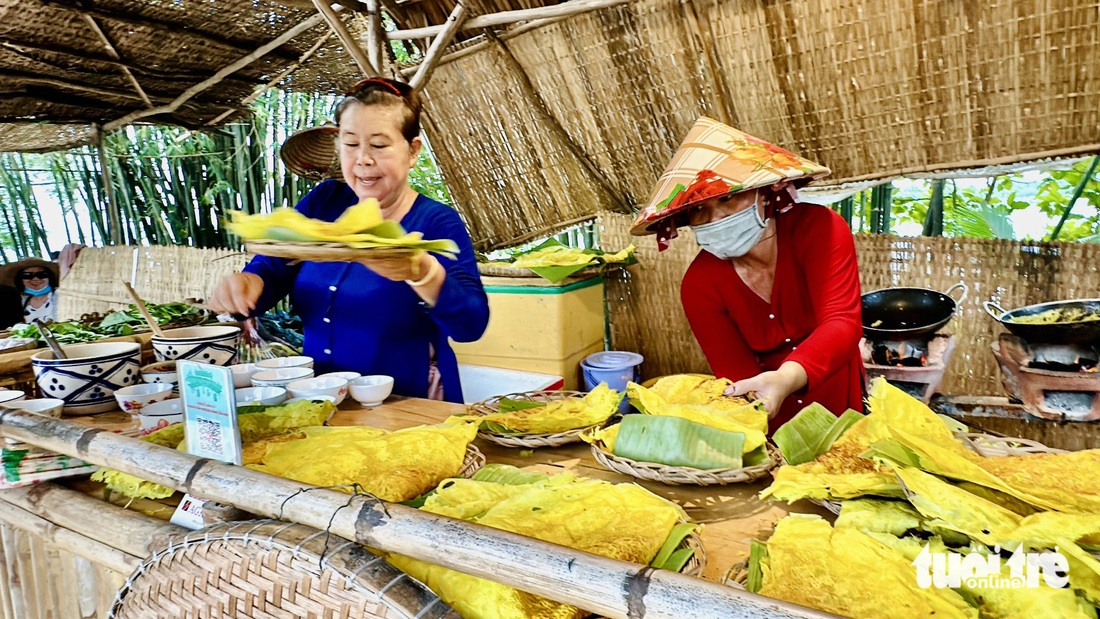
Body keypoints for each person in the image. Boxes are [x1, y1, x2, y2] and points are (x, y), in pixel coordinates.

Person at [210, 77, 489, 404]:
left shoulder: (435, 222)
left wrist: (422, 272)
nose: (363, 159)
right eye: (351, 143)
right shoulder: (325, 201)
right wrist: (248, 282)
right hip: (319, 403)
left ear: (412, 151)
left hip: (406, 406)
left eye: (379, 144)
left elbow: (470, 325)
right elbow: (273, 268)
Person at [631, 117, 864, 427]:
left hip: (837, 397)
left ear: (764, 192)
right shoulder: (700, 285)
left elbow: (842, 323)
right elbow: (736, 374)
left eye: (727, 197)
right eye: (699, 208)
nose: (716, 216)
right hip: (764, 410)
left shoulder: (820, 229)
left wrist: (786, 377)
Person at [0, 258, 61, 324]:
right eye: (28, 275)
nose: (36, 279)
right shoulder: (13, 300)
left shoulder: (62, 294)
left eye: (41, 274)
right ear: (20, 279)